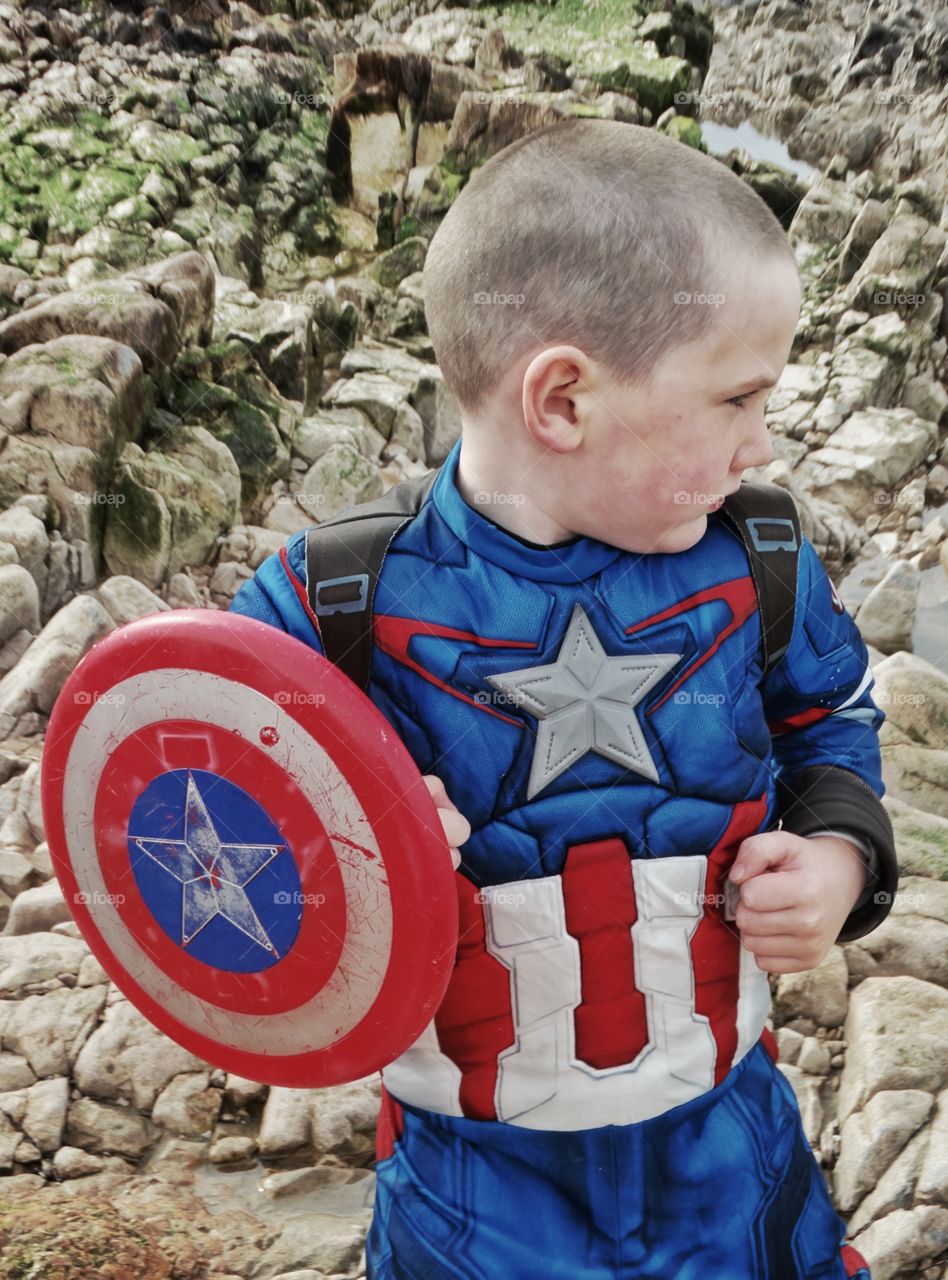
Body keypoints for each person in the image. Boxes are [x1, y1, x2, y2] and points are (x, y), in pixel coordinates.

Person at [230, 118, 897, 1279]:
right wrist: (341, 836)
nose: (764, 439)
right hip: (472, 1183)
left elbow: (831, 718)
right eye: (739, 397)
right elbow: (184, 791)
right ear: (564, 400)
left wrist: (841, 852)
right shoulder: (339, 596)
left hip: (727, 1149)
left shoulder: (762, 561)